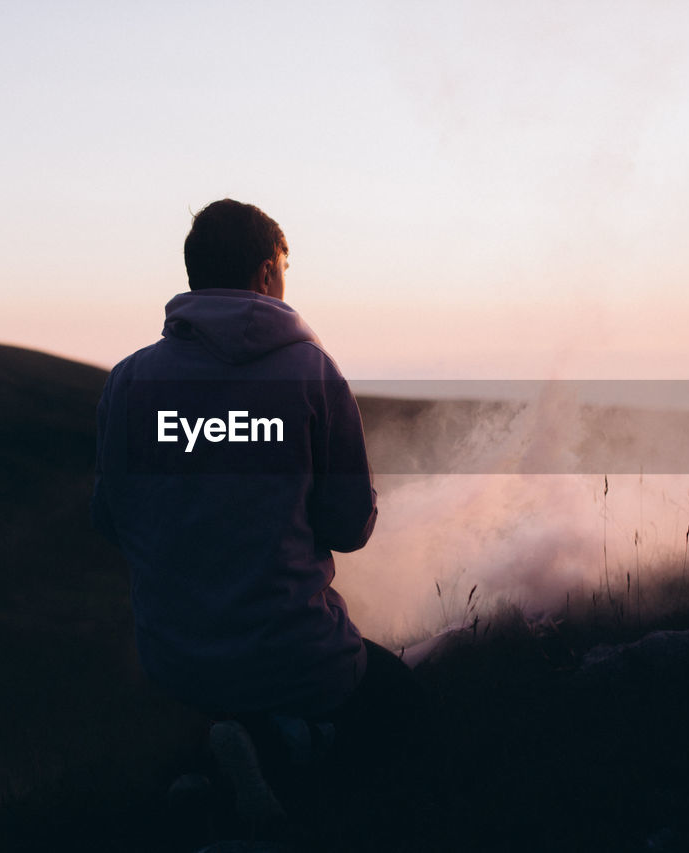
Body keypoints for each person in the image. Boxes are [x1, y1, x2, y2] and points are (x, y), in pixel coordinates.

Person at [90, 199, 418, 830]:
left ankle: (215, 778)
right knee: (401, 707)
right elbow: (350, 528)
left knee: (223, 712)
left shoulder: (129, 383)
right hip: (293, 655)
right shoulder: (309, 371)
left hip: (174, 660)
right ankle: (288, 756)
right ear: (268, 272)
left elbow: (111, 518)